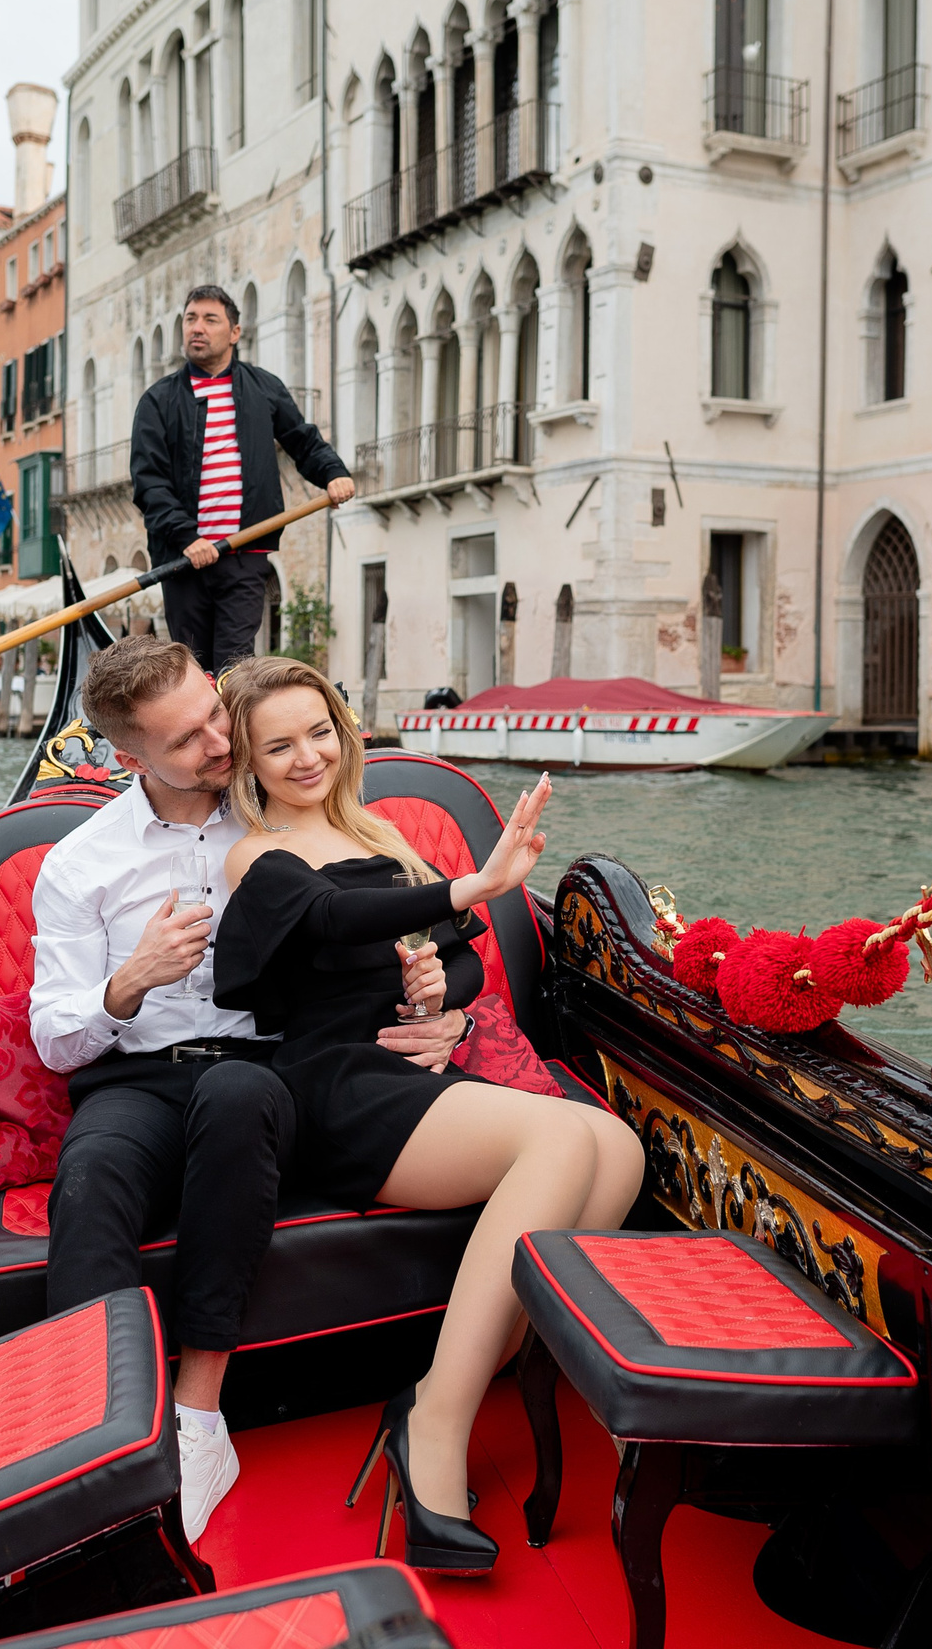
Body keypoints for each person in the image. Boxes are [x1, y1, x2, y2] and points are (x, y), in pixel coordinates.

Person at [28, 636, 468, 1542]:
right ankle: (88, 1430)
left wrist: (443, 1006)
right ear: (128, 756)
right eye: (186, 740)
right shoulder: (79, 863)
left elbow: (396, 939)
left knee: (236, 1099)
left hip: (266, 1067)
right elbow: (55, 1039)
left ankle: (199, 1419)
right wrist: (131, 979)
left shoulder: (281, 817)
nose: (220, 745)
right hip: (135, 1076)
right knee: (93, 1172)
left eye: (216, 716)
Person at [210, 657, 645, 1575]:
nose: (306, 757)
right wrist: (476, 886)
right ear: (247, 762)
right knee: (564, 1131)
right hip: (329, 1086)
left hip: (401, 1072)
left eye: (319, 731)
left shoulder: (380, 836)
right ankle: (434, 1420)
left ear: (344, 731)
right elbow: (335, 923)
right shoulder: (259, 856)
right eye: (277, 745)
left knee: (618, 1147)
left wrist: (443, 1002)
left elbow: (463, 963)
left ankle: (492, 1372)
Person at [128, 285, 356, 672]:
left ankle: (237, 733)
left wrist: (334, 473)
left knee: (236, 667)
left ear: (234, 332)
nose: (196, 328)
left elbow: (303, 441)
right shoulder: (158, 401)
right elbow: (149, 484)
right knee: (193, 672)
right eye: (190, 319)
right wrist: (189, 538)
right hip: (183, 560)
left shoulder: (263, 388)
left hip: (244, 552)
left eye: (209, 319)